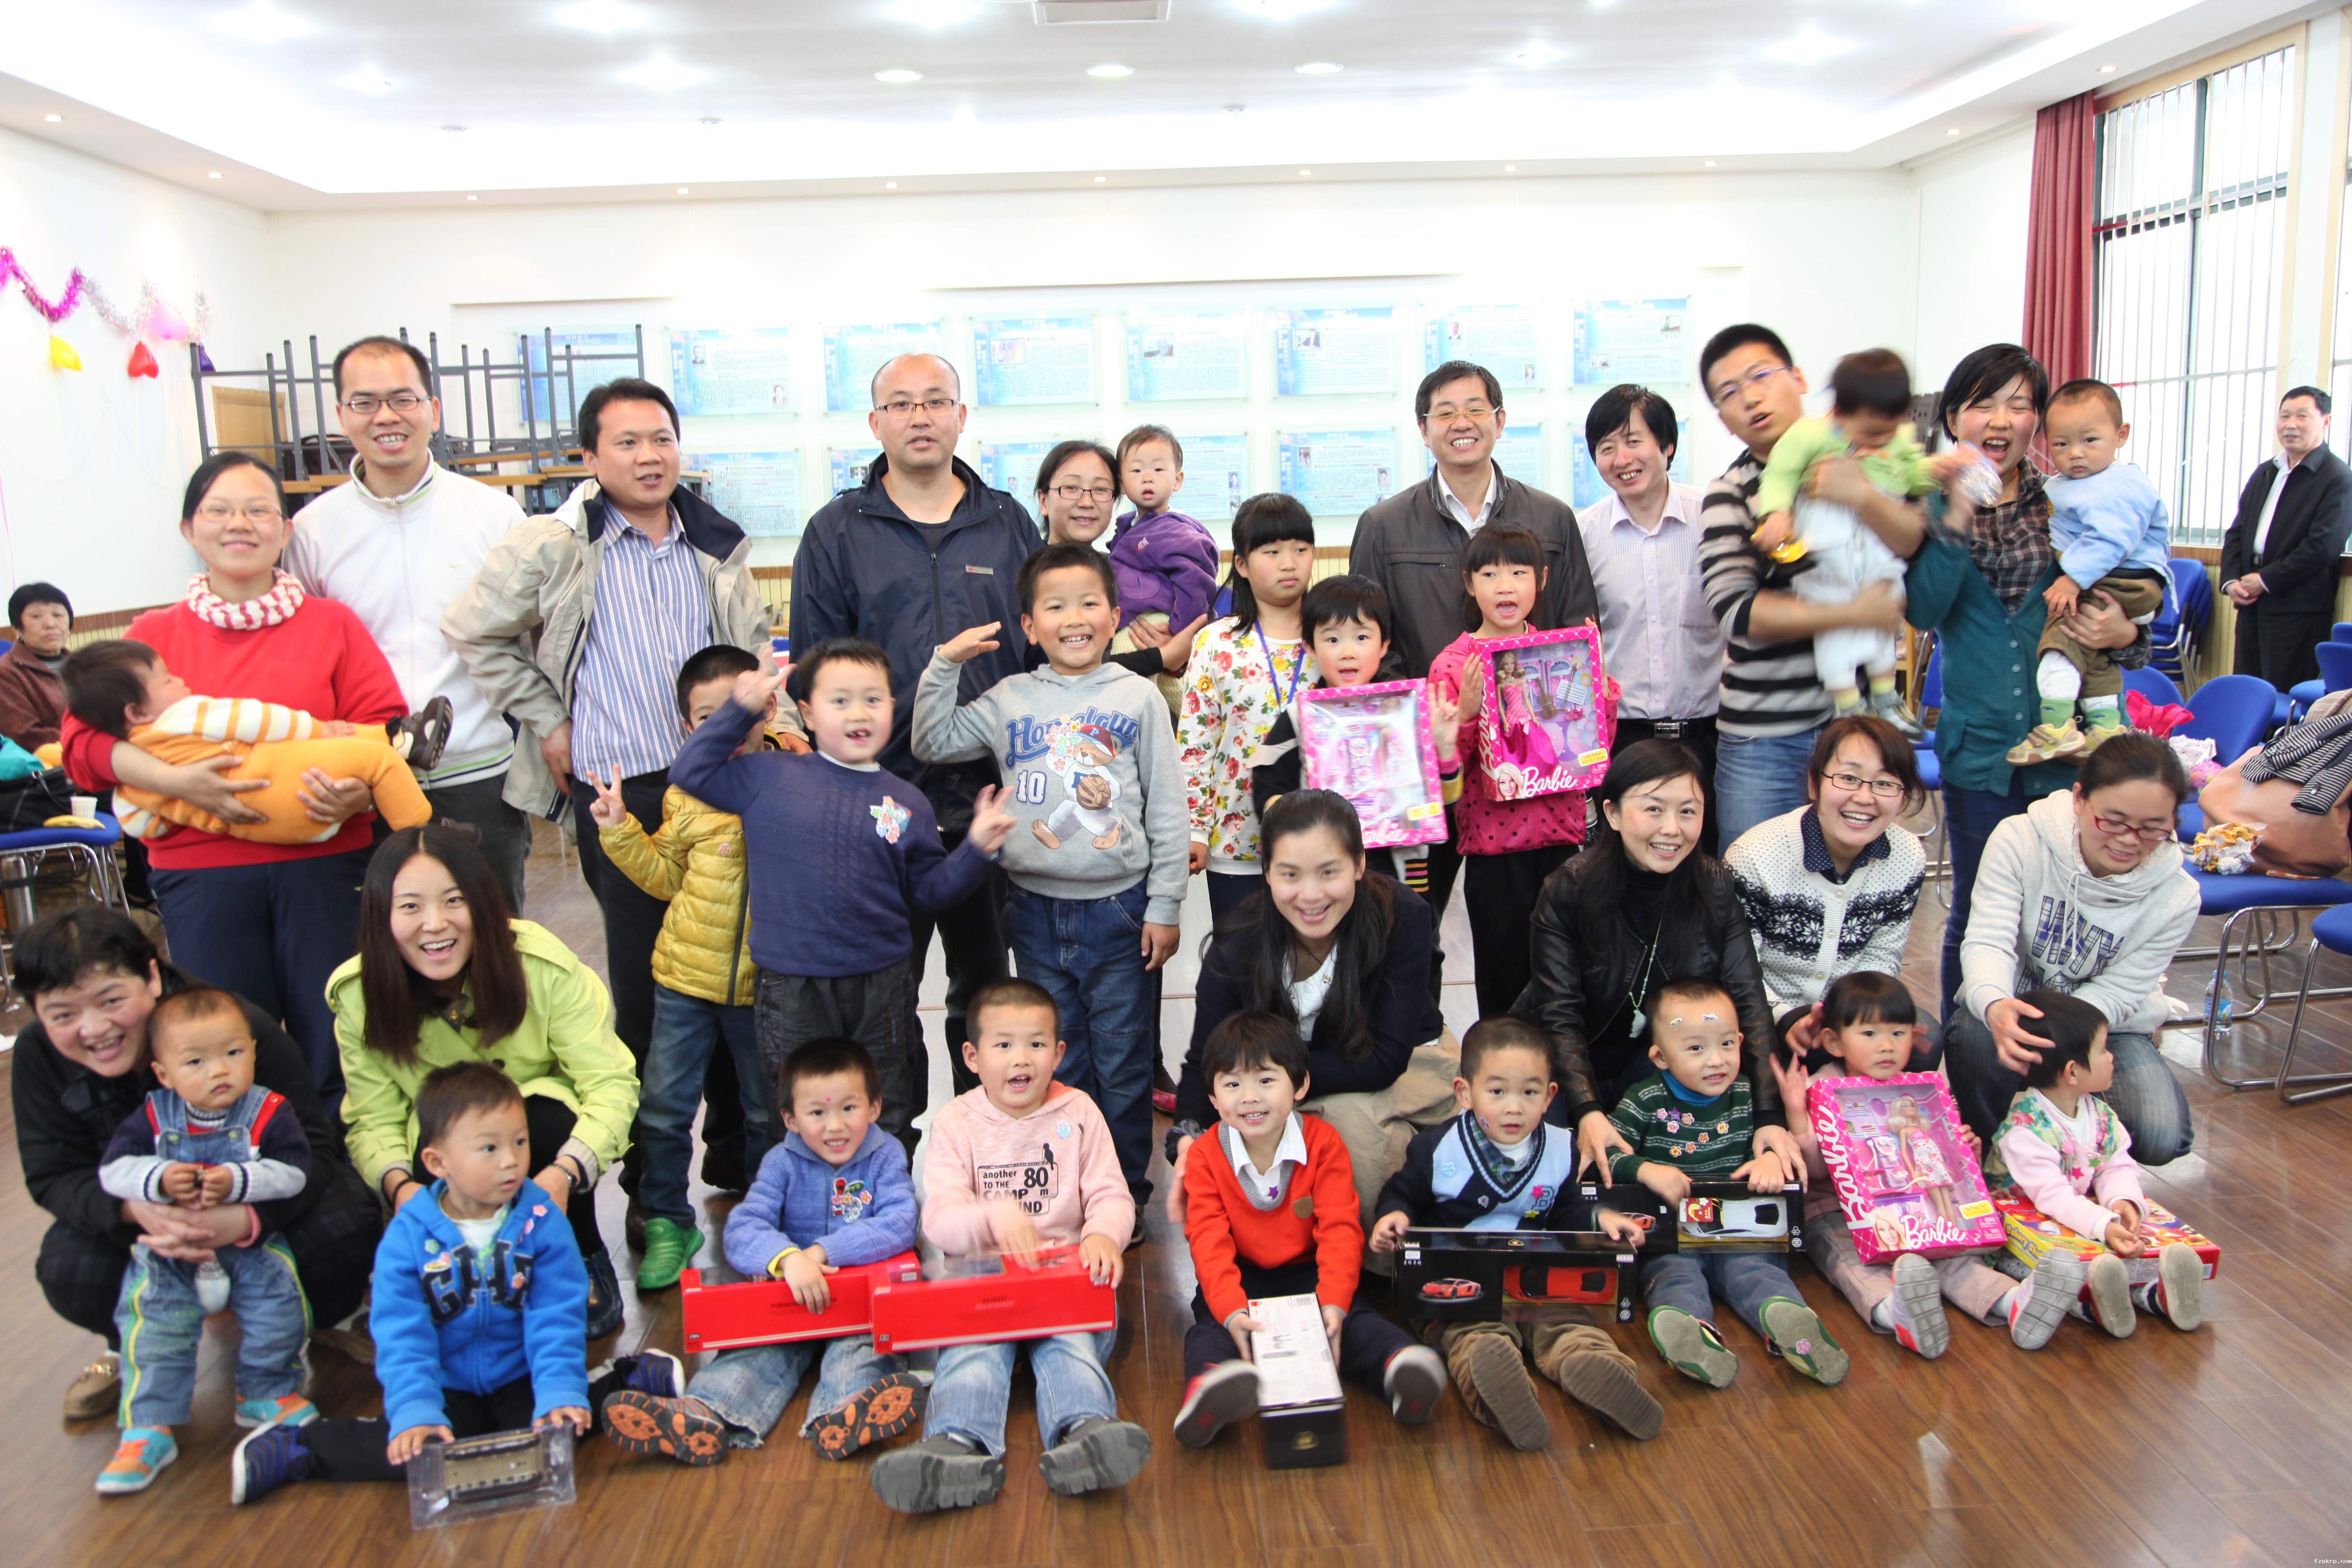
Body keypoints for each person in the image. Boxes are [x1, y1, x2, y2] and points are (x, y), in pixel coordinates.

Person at [444, 375, 770, 1196]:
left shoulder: (715, 542)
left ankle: (737, 1157)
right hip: (619, 792)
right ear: (591, 457)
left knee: (733, 968)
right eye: (626, 442)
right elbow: (473, 630)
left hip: (719, 783)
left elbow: (754, 650)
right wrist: (547, 718)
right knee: (648, 982)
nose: (648, 456)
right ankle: (650, 1181)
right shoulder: (554, 543)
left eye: (661, 438)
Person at [57, 452, 411, 1091]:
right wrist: (177, 783)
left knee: (339, 1034)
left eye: (258, 510)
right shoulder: (150, 635)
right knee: (222, 1044)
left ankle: (338, 1156)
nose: (239, 524)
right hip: (200, 873)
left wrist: (359, 794)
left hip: (325, 865)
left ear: (286, 529)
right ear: (189, 529)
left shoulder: (331, 623)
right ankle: (248, 1155)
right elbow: (80, 745)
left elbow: (381, 728)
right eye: (218, 511)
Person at [228, 1063, 682, 1504]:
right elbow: (403, 1334)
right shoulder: (408, 1235)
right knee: (424, 1455)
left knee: (548, 1437)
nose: (511, 1160)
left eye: (520, 1142)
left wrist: (559, 1392)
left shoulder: (542, 1220)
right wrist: (416, 1410)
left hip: (519, 1373)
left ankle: (625, 1379)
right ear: (437, 1162)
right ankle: (298, 1448)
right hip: (445, 1383)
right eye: (489, 1148)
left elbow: (556, 1318)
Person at [13, 907, 379, 1424]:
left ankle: (316, 1319)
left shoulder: (231, 1030)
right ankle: (131, 1338)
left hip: (255, 1206)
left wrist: (244, 1219)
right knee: (68, 1267)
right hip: (148, 1228)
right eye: (62, 1015)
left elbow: (315, 1152)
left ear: (152, 976)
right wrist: (135, 1212)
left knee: (347, 1221)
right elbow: (55, 1176)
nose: (94, 1029)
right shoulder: (38, 1056)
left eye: (111, 1001)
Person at [792, 353, 1040, 1112]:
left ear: (961, 416)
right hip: (879, 804)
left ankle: (985, 1140)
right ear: (876, 424)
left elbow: (1035, 656)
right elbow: (814, 670)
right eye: (901, 404)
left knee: (986, 991)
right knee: (883, 993)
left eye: (935, 401)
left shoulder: (1006, 522)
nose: (920, 417)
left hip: (990, 803)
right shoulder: (837, 531)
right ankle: (890, 1149)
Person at [913, 542, 1188, 1213]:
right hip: (1032, 910)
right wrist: (945, 664)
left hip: (1121, 912)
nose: (1075, 618)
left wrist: (1166, 905)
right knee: (1060, 1062)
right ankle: (1072, 1195)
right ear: (1030, 626)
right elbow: (933, 741)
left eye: (1090, 603)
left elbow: (1168, 807)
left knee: (1122, 1065)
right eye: (1056, 606)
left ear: (1115, 616)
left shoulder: (1137, 697)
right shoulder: (1011, 697)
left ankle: (1122, 1199)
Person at [668, 639, 1011, 1158]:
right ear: (806, 713)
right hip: (792, 985)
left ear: (892, 707)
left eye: (873, 699)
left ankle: (888, 1196)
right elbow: (689, 771)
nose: (858, 713)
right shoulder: (765, 776)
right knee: (795, 1105)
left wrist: (977, 849)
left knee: (887, 1101)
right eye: (840, 700)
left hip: (883, 983)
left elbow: (929, 891)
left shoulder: (907, 802)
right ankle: (799, 1199)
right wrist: (741, 708)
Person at [1903, 343, 2150, 1017]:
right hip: (1980, 749)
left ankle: (2063, 1055)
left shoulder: (2072, 498)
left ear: (2037, 421)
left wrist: (2128, 635)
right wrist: (1957, 508)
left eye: (2018, 405)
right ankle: (1971, 1054)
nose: (2000, 419)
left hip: (2073, 749)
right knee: (1979, 914)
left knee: (2071, 917)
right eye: (1982, 404)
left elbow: (2135, 603)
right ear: (1953, 418)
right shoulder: (1925, 507)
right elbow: (1923, 608)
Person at [332, 825, 642, 1338]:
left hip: (543, 1140)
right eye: (410, 907)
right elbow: (373, 1118)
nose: (435, 924)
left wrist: (565, 1173)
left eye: (454, 900)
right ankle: (460, 1268)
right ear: (381, 914)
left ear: (482, 901)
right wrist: (401, 1189)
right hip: (440, 1158)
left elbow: (610, 1083)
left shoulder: (540, 966)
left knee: (538, 1120)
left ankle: (578, 1246)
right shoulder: (359, 994)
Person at [869, 979, 1148, 1514]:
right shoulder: (956, 1123)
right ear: (972, 1057)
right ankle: (953, 1446)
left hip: (1062, 1280)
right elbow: (940, 1221)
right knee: (971, 1358)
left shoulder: (1079, 1112)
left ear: (1058, 1053)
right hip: (983, 1287)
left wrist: (1102, 1235)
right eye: (1004, 1045)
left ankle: (1086, 1432)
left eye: (1036, 1044)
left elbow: (1112, 1194)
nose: (1022, 1059)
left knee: (1071, 1350)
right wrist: (992, 1217)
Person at [284, 335, 534, 912]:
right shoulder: (313, 530)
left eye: (403, 399)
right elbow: (304, 664)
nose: (386, 417)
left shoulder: (494, 514)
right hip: (359, 786)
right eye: (365, 403)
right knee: (375, 945)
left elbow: (530, 643)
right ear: (342, 416)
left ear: (433, 410)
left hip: (479, 778)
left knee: (494, 939)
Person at [1351, 359, 1599, 935]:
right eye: (1444, 413)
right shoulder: (1384, 525)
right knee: (1409, 923)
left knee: (1531, 932)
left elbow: (1575, 632)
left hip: (1528, 776)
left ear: (1500, 420)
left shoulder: (1550, 518)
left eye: (1475, 409)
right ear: (1423, 429)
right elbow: (1370, 645)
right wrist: (1431, 731)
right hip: (1428, 765)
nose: (1461, 423)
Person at [601, 1038, 926, 1467]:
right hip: (791, 1300)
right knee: (754, 1352)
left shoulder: (885, 1155)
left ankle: (844, 1415)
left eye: (849, 1108)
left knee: (863, 1354)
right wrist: (788, 1259)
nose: (835, 1126)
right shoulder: (781, 1163)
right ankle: (703, 1413)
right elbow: (743, 1227)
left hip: (861, 1303)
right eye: (817, 1113)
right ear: (790, 1119)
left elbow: (901, 1221)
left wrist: (823, 1252)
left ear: (874, 1107)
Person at [1169, 790, 1457, 1234]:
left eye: (1329, 872)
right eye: (1290, 874)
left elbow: (1386, 1058)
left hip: (1408, 1063)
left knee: (1350, 1133)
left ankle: (1377, 1263)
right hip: (1295, 1078)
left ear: (1359, 864)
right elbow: (1207, 1058)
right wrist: (1188, 1137)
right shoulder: (1240, 941)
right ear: (1266, 873)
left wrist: (1267, 1080)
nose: (1310, 895)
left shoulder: (1402, 916)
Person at [1368, 1016, 1662, 1446]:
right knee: (1471, 1334)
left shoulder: (1561, 1148)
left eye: (1529, 1093)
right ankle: (1495, 1381)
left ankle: (1593, 1366)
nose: (1514, 1107)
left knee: (1568, 1322)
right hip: (1461, 1280)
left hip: (1537, 1279)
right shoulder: (1438, 1148)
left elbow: (1568, 1210)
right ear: (1465, 1093)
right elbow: (1403, 1193)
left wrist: (1601, 1219)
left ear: (1549, 1096)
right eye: (1497, 1092)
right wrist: (1393, 1217)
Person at [586, 644, 779, 1291]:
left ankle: (764, 1215)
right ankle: (668, 1219)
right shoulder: (686, 792)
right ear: (686, 727)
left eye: (740, 708)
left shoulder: (791, 772)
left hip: (761, 985)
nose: (728, 725)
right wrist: (620, 830)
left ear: (767, 708)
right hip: (683, 981)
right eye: (707, 717)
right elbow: (667, 878)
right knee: (665, 1107)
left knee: (764, 1112)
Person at [1519, 739, 1795, 1181]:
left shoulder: (1715, 887)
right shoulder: (1569, 888)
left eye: (1688, 811)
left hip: (1660, 1066)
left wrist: (1769, 1115)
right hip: (1566, 1063)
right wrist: (1586, 1109)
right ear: (1612, 813)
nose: (1672, 829)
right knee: (1555, 1173)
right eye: (1653, 809)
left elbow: (1749, 1001)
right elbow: (1559, 1014)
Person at [1171, 1011, 1447, 1452]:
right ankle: (1211, 1387)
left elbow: (1340, 1228)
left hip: (1308, 1271)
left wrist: (1334, 1302)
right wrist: (1231, 1311)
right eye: (1232, 1084)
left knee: (1354, 1323)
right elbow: (1207, 1239)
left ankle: (1400, 1367)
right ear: (1213, 1098)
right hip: (1240, 1273)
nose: (1250, 1097)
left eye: (1266, 1080)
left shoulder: (1323, 1142)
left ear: (1300, 1086)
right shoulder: (1205, 1156)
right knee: (1210, 1331)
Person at [1693, 326, 1924, 845]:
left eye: (1760, 376)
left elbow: (1912, 542)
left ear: (1798, 378)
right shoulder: (1731, 493)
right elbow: (1737, 614)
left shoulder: (1872, 458)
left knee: (1854, 878)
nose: (1750, 398)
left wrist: (1861, 495)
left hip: (1859, 732)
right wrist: (1852, 615)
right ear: (1723, 419)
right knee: (1754, 878)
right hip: (1766, 740)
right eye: (1729, 392)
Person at [1772, 972, 2082, 1357]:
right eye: (1870, 1034)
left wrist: (1964, 1148)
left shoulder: (1920, 1091)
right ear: (1834, 1041)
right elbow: (1815, 1171)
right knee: (1853, 1264)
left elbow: (1941, 1160)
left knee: (1954, 1256)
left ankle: (2015, 1302)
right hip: (1836, 1211)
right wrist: (1797, 1115)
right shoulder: (1820, 1086)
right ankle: (1895, 1312)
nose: (1887, 1045)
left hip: (1916, 1205)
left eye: (1898, 1034)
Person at [90, 988, 317, 1493]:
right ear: (164, 1073)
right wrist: (157, 1178)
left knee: (279, 1308)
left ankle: (264, 1391)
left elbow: (295, 1171)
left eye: (233, 1053)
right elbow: (113, 1171)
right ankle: (147, 1428)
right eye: (196, 1062)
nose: (219, 1071)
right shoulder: (154, 1116)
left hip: (248, 1247)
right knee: (156, 1328)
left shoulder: (269, 1110)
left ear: (253, 1051)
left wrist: (240, 1181)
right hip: (170, 1254)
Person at [1946, 733, 2198, 1164]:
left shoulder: (2178, 895)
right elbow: (1989, 939)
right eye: (2113, 821)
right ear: (2080, 799)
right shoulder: (2020, 839)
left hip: (2107, 1028)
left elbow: (2121, 990)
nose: (2129, 840)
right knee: (1975, 1031)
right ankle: (1994, 1156)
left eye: (2153, 828)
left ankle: (2079, 1143)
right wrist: (1995, 1004)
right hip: (2015, 1009)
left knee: (2161, 1136)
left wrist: (2069, 1044)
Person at [1607, 977, 1846, 1389]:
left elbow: (1777, 1144)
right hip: (1671, 1237)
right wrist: (1645, 1169)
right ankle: (1694, 1339)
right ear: (1660, 1057)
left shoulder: (1750, 1098)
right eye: (1696, 1049)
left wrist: (1769, 1160)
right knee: (1674, 1278)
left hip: (1740, 1233)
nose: (1716, 1060)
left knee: (1758, 1274)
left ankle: (1797, 1333)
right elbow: (1606, 1155)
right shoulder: (1643, 1101)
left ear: (1741, 1042)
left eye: (1727, 1044)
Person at [1428, 525, 1586, 1018]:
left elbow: (1584, 741)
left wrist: (1594, 686)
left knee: (1565, 970)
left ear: (1541, 580)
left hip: (1561, 836)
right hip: (1495, 847)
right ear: (1469, 583)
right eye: (1490, 574)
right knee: (1503, 975)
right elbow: (1446, 769)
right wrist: (1467, 712)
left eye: (1519, 573)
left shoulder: (1559, 652)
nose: (1505, 587)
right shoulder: (1453, 665)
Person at [62, 638, 440, 844]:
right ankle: (421, 834)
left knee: (348, 743)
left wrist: (185, 808)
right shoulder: (183, 715)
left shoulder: (131, 782)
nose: (178, 680)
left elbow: (142, 826)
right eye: (167, 680)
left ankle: (400, 739)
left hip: (259, 826)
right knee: (376, 759)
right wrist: (318, 729)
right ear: (135, 712)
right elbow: (257, 720)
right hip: (293, 787)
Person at [1750, 349, 1948, 735]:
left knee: (1884, 615)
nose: (1884, 440)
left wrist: (1939, 471)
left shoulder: (1898, 437)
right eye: (1872, 434)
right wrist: (1777, 513)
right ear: (1840, 412)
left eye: (1892, 429)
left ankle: (1885, 699)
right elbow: (1780, 475)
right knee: (1834, 634)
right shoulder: (1810, 436)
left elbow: (1912, 475)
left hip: (1875, 548)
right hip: (1829, 551)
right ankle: (1848, 706)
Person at [1994, 990, 2208, 1339]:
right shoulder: (2025, 1130)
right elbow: (2053, 1197)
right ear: (2073, 1072)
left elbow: (2116, 1165)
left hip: (2078, 1218)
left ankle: (2156, 1295)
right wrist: (2103, 1224)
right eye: (2104, 1050)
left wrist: (2122, 1201)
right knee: (2055, 1274)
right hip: (2020, 1237)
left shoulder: (2101, 1115)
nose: (2112, 1058)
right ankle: (2091, 1302)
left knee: (2119, 1257)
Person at [1248, 574, 1471, 897]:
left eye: (1362, 637)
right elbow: (1267, 792)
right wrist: (1307, 817)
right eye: (1332, 639)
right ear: (1310, 646)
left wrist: (1445, 751)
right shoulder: (1298, 718)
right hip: (1323, 877)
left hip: (1404, 873)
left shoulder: (1407, 715)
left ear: (1384, 645)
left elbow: (1447, 804)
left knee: (1407, 927)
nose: (1348, 652)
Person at [1723, 715, 1926, 1052]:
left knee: (1921, 1041)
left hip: (1848, 1019)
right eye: (1848, 778)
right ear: (1814, 784)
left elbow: (1883, 956)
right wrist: (1787, 1018)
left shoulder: (1907, 856)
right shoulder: (1755, 857)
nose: (1865, 797)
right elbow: (1739, 971)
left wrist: (1845, 1019)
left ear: (1903, 797)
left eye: (1885, 783)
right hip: (1761, 1018)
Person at [1580, 386, 1723, 850]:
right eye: (1606, 447)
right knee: (1624, 868)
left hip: (1710, 736)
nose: (1621, 459)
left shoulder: (1713, 519)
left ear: (1668, 445)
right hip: (1624, 740)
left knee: (1707, 866)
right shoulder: (1585, 535)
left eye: (1633, 441)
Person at [2004, 378, 2173, 762]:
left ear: (2121, 435)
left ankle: (2057, 727)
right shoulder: (2070, 484)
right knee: (2094, 657)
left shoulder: (2116, 484)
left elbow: (2112, 540)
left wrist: (2072, 579)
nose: (2075, 454)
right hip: (2121, 582)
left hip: (2120, 580)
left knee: (2061, 642)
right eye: (2061, 445)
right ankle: (2105, 728)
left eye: (2090, 441)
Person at [1179, 492, 1319, 926]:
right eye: (1272, 552)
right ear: (1241, 564)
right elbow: (1196, 745)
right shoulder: (1216, 642)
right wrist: (1196, 829)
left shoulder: (1335, 638)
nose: (1289, 563)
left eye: (1301, 549)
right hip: (1238, 842)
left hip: (1323, 843)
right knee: (1240, 959)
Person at [2220, 385, 2352, 690]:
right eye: (2285, 416)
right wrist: (2231, 581)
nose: (2291, 424)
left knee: (2283, 694)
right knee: (2247, 691)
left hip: (2298, 610)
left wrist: (2265, 580)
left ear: (2326, 422)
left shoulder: (2338, 478)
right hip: (2251, 603)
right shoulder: (2267, 472)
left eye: (2302, 416)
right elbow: (2238, 533)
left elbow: (2322, 548)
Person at [1107, 423, 1220, 712]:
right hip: (1134, 622)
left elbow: (1196, 582)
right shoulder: (1129, 526)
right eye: (1136, 471)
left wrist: (1182, 634)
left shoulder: (1177, 530)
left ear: (1177, 480)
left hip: (1158, 622)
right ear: (1122, 483)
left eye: (1158, 469)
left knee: (1136, 701)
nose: (1148, 477)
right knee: (1159, 703)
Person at [0, 580, 72, 749]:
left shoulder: (88, 664)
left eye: (58, 615)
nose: (50, 624)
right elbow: (24, 735)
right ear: (17, 628)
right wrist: (89, 740)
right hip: (51, 761)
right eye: (37, 616)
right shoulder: (7, 672)